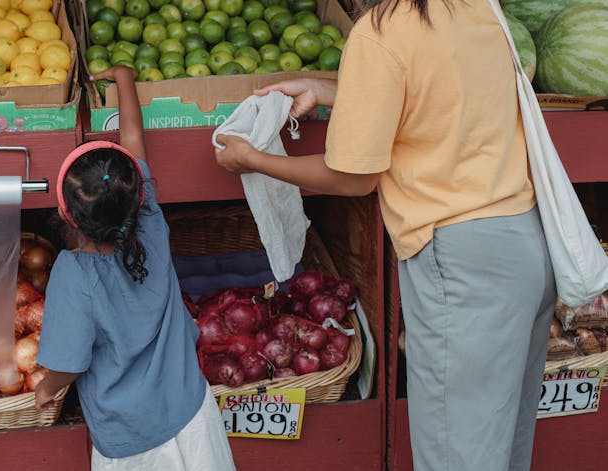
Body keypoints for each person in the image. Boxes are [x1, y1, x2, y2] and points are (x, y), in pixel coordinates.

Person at [214, 1, 556, 470]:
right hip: (525, 245)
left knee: (458, 457)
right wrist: (327, 87)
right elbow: (431, 90)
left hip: (462, 263)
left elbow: (354, 176)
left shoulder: (380, 32)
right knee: (502, 447)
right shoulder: (475, 6)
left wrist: (253, 160)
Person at [34, 65, 236, 471]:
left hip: (132, 439)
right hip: (191, 412)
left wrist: (45, 388)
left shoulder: (73, 273)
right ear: (138, 194)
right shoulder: (151, 223)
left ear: (64, 213)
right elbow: (133, 142)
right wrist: (125, 80)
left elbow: (69, 363)